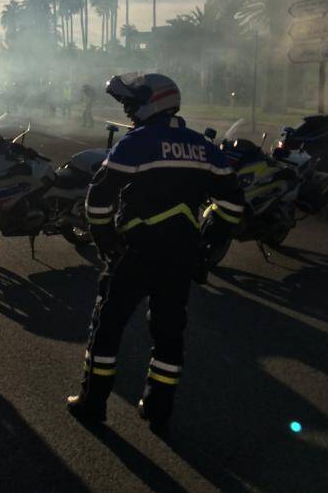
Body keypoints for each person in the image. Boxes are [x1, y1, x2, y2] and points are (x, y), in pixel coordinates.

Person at [66, 73, 244, 436]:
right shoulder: (203, 147)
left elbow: (99, 198)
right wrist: (208, 248)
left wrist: (105, 242)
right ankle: (159, 408)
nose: (128, 111)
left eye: (132, 103)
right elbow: (232, 204)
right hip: (181, 256)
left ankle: (93, 403)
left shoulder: (138, 143)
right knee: (169, 333)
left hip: (135, 252)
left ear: (153, 102)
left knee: (108, 328)